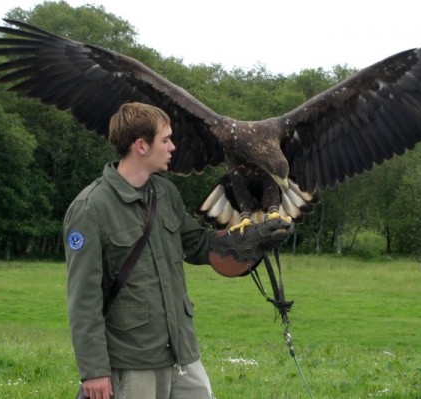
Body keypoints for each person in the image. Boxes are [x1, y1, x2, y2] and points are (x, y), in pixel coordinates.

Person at [63, 102, 290, 399]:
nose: (173, 147)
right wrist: (93, 371)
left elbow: (197, 245)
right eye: (166, 140)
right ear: (141, 146)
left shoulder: (166, 194)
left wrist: (254, 239)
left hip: (182, 355)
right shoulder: (90, 208)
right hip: (133, 362)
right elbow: (83, 298)